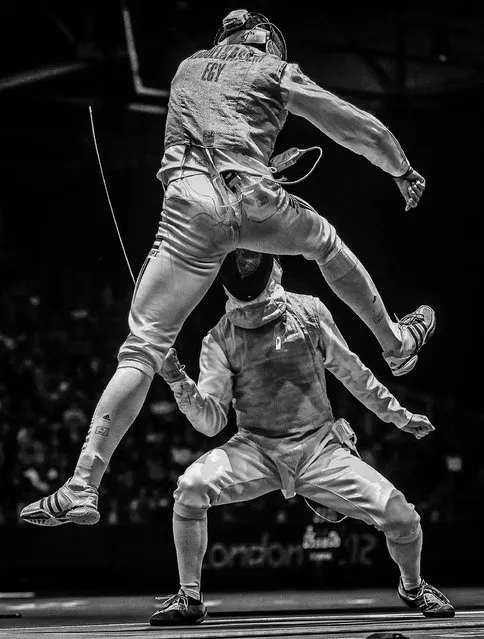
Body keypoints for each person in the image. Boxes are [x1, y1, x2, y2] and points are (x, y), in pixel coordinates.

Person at [21, 9, 433, 527]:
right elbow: (350, 124)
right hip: (256, 199)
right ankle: (396, 344)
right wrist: (400, 167)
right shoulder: (273, 70)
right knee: (325, 244)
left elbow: (219, 121)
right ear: (263, 41)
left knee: (141, 349)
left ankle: (83, 485)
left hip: (190, 208)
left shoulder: (187, 68)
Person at [150, 249, 453, 626]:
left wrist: (398, 415)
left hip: (319, 448)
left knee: (403, 518)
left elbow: (351, 371)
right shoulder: (220, 339)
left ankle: (412, 587)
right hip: (256, 450)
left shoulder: (308, 313)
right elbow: (213, 421)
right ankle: (190, 596)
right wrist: (177, 378)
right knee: (191, 487)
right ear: (275, 270)